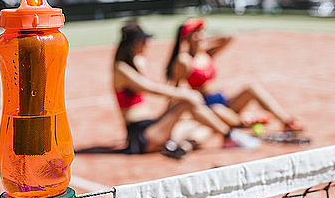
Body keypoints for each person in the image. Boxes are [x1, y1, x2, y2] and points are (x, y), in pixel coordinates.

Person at [113, 21, 259, 159]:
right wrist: (183, 93)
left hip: (149, 126)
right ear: (134, 44)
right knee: (187, 103)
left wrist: (200, 42)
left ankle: (183, 144)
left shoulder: (135, 64)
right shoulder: (121, 69)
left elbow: (228, 37)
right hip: (140, 135)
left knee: (200, 123)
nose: (146, 45)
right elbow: (151, 88)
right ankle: (230, 135)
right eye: (143, 42)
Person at [166, 18, 303, 132]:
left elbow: (229, 37)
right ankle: (246, 121)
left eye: (201, 32)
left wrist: (203, 42)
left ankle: (287, 121)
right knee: (220, 112)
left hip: (222, 99)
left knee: (251, 88)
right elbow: (175, 90)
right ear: (187, 37)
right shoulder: (184, 60)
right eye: (196, 33)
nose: (201, 35)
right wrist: (169, 117)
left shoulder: (206, 53)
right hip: (208, 107)